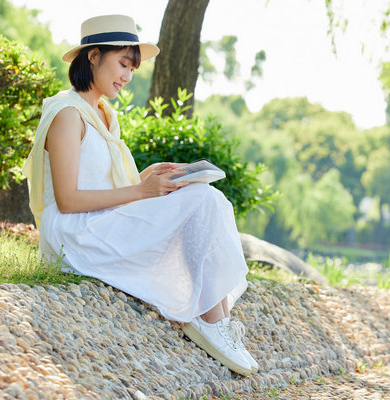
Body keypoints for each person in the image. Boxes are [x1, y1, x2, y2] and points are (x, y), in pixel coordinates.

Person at [22, 14, 258, 376]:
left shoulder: (102, 113)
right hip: (75, 232)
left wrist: (149, 177)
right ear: (93, 57)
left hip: (100, 221)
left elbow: (104, 183)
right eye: (123, 64)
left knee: (207, 195)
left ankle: (217, 319)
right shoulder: (67, 114)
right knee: (202, 201)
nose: (128, 76)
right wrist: (143, 190)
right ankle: (210, 320)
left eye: (132, 68)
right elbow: (67, 199)